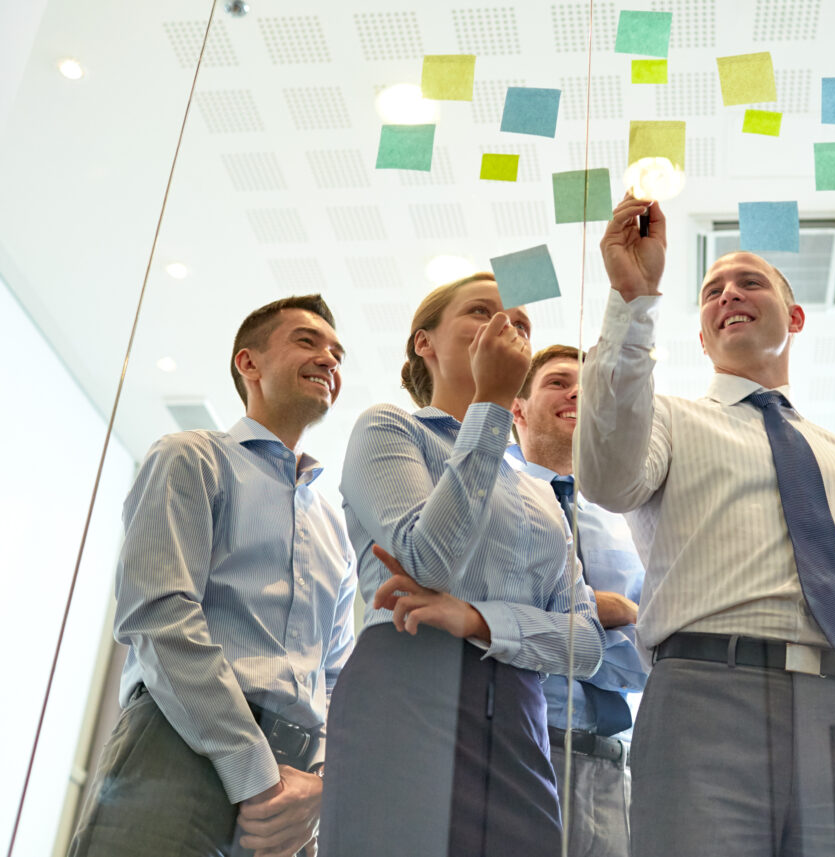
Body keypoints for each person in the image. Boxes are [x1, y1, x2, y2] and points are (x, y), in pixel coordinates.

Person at [576, 193, 835, 857]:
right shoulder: (666, 417)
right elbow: (605, 478)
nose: (729, 293)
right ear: (701, 333)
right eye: (713, 289)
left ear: (795, 315)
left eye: (750, 282)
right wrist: (633, 301)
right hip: (705, 696)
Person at [319, 273, 606, 857]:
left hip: (520, 720)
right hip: (404, 688)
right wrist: (492, 405)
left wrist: (477, 619)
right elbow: (428, 562)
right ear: (424, 343)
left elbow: (588, 643)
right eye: (482, 311)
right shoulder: (389, 428)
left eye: (520, 324)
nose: (506, 328)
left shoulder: (540, 497)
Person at [70, 295, 357, 857]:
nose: (329, 359)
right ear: (247, 363)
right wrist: (257, 773)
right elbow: (160, 617)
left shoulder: (334, 527)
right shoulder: (193, 458)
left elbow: (336, 676)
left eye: (337, 353)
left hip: (292, 793)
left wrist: (319, 788)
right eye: (307, 341)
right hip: (180, 753)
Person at [511, 344, 648, 857]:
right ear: (517, 409)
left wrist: (568, 625)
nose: (576, 392)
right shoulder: (492, 503)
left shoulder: (628, 523)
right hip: (524, 754)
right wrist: (603, 614)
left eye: (585, 386)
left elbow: (647, 658)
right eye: (556, 381)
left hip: (615, 771)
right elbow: (501, 627)